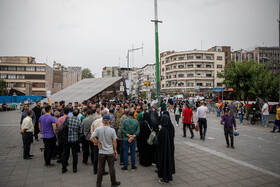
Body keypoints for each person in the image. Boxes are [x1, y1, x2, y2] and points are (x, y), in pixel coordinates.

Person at [90, 114, 121, 187]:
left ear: (102, 121)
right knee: (111, 167)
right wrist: (115, 150)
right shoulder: (112, 130)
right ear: (109, 121)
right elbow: (114, 141)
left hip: (101, 152)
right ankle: (113, 182)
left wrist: (97, 142)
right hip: (110, 152)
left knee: (100, 168)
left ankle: (98, 183)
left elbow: (91, 138)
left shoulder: (98, 129)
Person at [157, 114, 175, 183]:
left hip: (163, 150)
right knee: (169, 162)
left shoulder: (163, 130)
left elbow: (159, 140)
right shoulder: (170, 127)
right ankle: (168, 175)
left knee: (164, 163)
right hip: (170, 148)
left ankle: (164, 177)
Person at [61, 108, 81, 173]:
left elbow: (62, 126)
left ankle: (63, 168)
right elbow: (80, 131)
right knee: (75, 154)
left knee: (65, 154)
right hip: (74, 139)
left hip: (66, 139)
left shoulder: (67, 119)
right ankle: (74, 168)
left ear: (72, 113)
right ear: (78, 114)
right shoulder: (78, 121)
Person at [91, 110, 109, 175]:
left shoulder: (95, 121)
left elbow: (92, 130)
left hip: (96, 141)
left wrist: (95, 139)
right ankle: (102, 170)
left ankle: (95, 169)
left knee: (95, 156)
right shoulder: (106, 123)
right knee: (103, 157)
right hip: (104, 142)